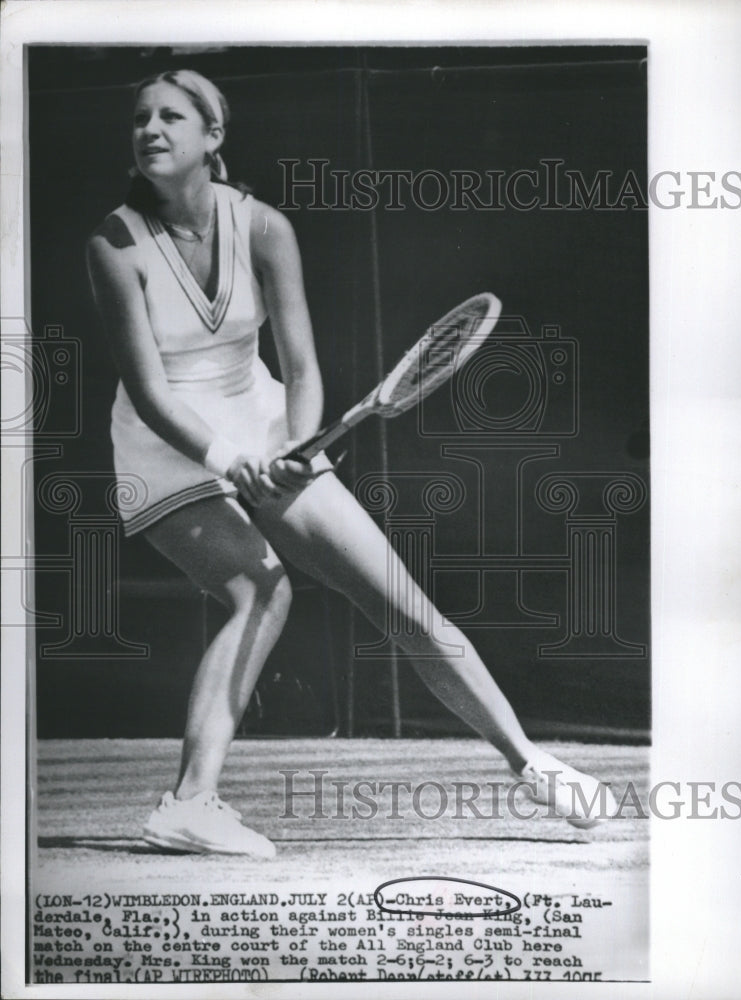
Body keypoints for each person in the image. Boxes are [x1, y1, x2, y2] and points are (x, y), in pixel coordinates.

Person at [86, 69, 617, 856]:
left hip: (261, 418)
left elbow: (300, 368)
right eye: (140, 118)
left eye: (171, 116)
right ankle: (187, 803)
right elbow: (149, 389)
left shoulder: (264, 228)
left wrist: (298, 450)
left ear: (213, 136)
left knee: (398, 599)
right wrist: (230, 461)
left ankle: (532, 763)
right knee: (259, 587)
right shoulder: (113, 243)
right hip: (163, 444)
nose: (150, 129)